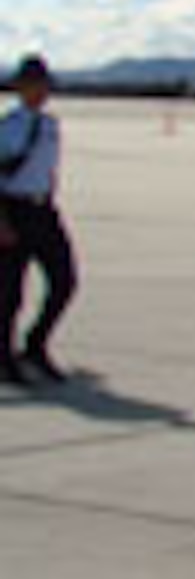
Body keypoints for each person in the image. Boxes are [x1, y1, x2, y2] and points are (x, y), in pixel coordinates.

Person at [1, 55, 77, 386]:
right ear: (19, 88)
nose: (40, 91)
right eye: (33, 85)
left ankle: (35, 345)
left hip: (43, 211)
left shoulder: (50, 125)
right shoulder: (8, 127)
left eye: (44, 85)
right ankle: (4, 359)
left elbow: (47, 169)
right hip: (12, 211)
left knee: (64, 280)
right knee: (8, 294)